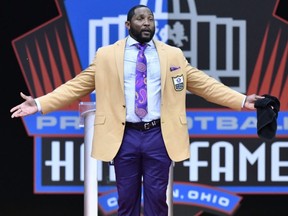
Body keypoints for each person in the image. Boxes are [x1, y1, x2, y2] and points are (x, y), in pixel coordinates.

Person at [10, 4, 263, 216]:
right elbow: (77, 86)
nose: (146, 23)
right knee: (126, 202)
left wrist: (241, 100)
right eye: (140, 19)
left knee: (157, 202)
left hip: (158, 135)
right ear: (128, 25)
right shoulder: (107, 55)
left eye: (150, 19)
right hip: (124, 136)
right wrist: (40, 103)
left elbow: (205, 85)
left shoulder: (172, 55)